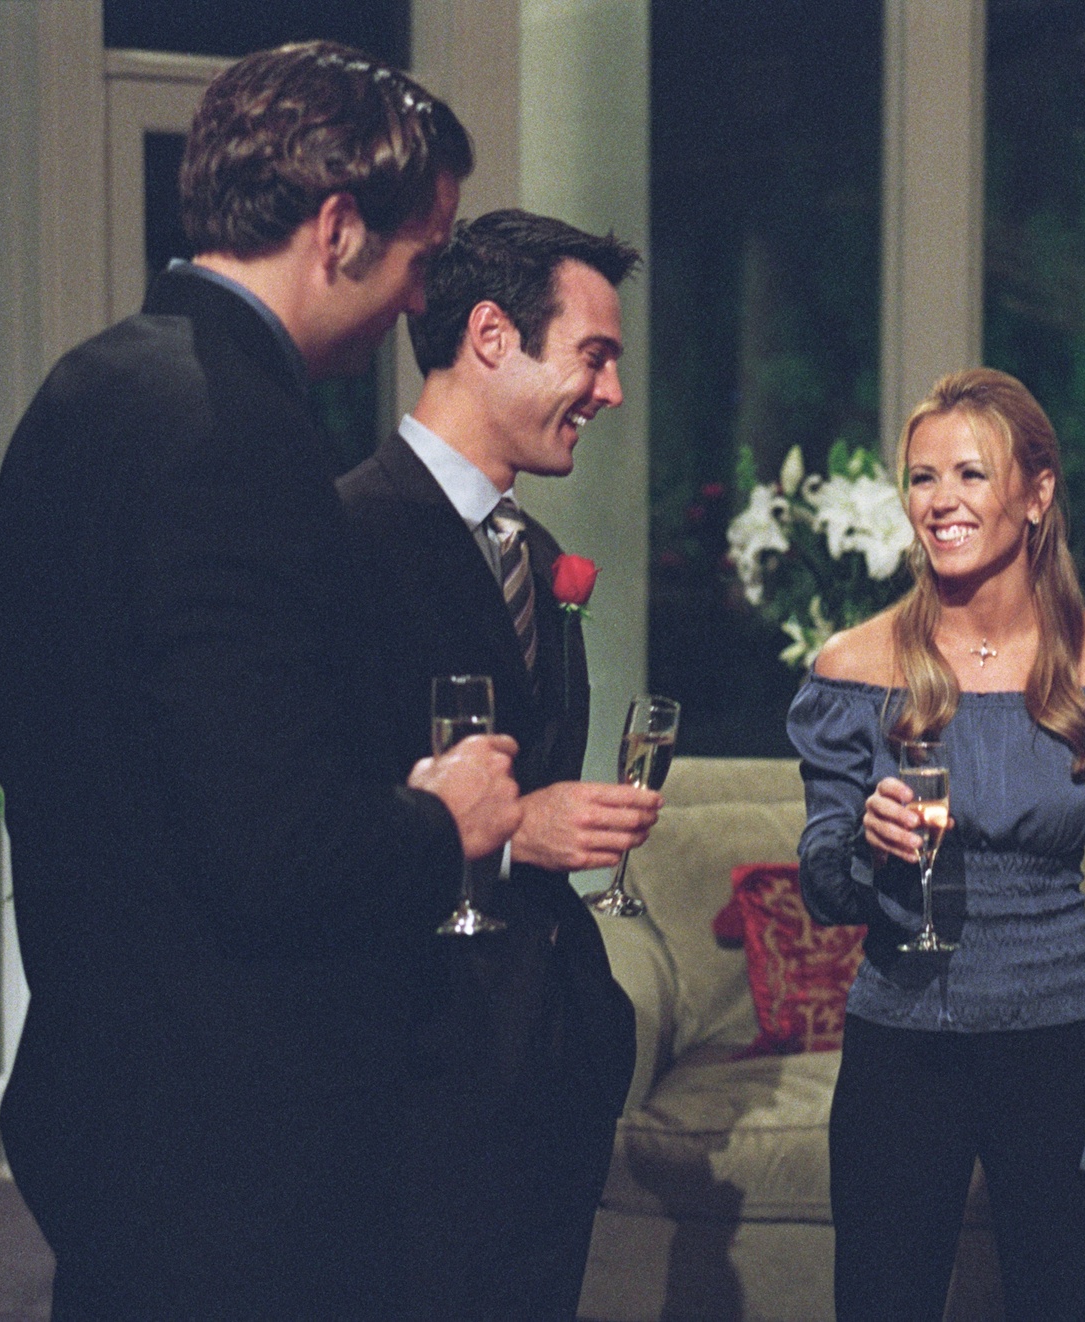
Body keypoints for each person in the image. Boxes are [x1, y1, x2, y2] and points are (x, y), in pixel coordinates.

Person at [0, 42, 520, 1317]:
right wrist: (442, 816)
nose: (420, 297)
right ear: (337, 229)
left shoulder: (81, 387)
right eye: (421, 254)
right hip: (234, 1137)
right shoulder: (236, 431)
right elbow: (274, 845)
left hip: (98, 1086)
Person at [788, 368, 1085, 1320]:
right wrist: (867, 848)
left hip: (1059, 1045)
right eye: (923, 478)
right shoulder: (854, 665)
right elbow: (823, 883)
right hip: (898, 1046)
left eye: (970, 474)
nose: (941, 502)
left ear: (1036, 494)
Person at [335, 209, 657, 1315]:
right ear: (489, 335)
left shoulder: (538, 552)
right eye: (593, 356)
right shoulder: (345, 535)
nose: (612, 391)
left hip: (548, 1056)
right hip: (417, 1067)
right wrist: (516, 829)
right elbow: (316, 800)